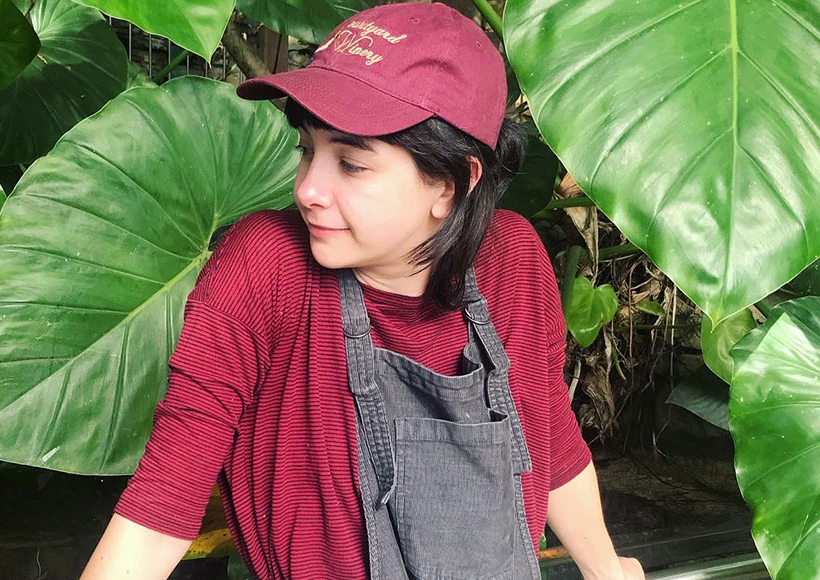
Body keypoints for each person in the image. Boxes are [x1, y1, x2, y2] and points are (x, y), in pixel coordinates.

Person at [81, 3, 645, 579]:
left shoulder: (514, 260)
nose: (308, 190)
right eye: (308, 150)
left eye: (350, 164)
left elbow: (545, 424)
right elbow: (165, 497)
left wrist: (606, 567)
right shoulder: (265, 267)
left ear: (453, 183)